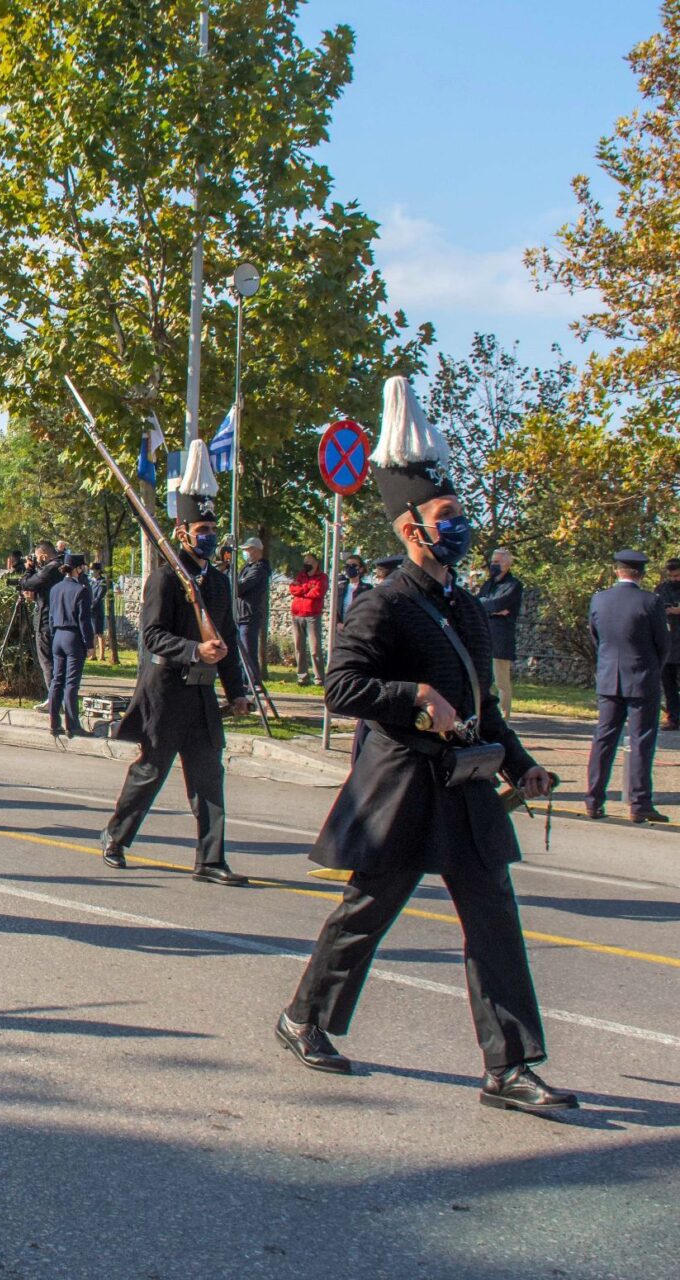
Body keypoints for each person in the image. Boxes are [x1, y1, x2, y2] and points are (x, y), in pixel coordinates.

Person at [277, 375, 572, 1115]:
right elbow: (341, 689)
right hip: (405, 788)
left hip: (468, 789)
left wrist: (524, 763)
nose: (460, 528)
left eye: (462, 515)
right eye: (449, 517)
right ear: (410, 527)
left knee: (496, 921)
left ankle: (508, 1068)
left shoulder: (464, 605)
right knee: (366, 912)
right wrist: (412, 697)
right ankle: (303, 1017)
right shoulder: (385, 605)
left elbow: (484, 704)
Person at [99, 442, 251, 884]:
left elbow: (228, 641)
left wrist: (237, 690)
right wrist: (192, 650)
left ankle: (210, 859)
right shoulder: (166, 577)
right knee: (150, 772)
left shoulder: (219, 584)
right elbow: (151, 636)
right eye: (201, 528)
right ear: (182, 532)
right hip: (166, 691)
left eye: (212, 527)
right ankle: (116, 836)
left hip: (202, 696)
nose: (208, 535)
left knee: (209, 779)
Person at [585, 549, 668, 823]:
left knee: (604, 739)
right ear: (641, 573)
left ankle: (594, 799)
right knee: (641, 741)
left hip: (610, 677)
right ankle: (639, 802)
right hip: (642, 678)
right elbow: (662, 645)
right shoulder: (651, 602)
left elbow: (596, 637)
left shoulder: (600, 599)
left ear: (616, 571)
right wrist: (653, 668)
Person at [48, 552, 95, 737]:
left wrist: (54, 636)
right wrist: (89, 644)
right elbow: (84, 620)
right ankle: (72, 725)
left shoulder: (55, 588)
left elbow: (51, 617)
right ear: (78, 568)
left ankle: (54, 723)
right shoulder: (81, 590)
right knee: (71, 683)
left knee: (56, 681)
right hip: (73, 637)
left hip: (57, 636)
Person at [477, 547, 523, 712]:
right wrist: (493, 609)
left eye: (497, 562)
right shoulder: (488, 585)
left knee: (501, 682)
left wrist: (490, 606)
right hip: (484, 637)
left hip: (501, 639)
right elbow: (477, 603)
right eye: (493, 562)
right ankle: (486, 716)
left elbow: (498, 603)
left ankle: (504, 718)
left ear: (507, 564)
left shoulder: (514, 585)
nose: (493, 565)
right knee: (484, 681)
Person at [19, 543, 63, 705]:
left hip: (45, 622)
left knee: (47, 662)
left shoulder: (51, 568)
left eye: (38, 557)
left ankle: (54, 699)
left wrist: (29, 569)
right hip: (54, 619)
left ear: (43, 555)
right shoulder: (60, 567)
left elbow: (27, 583)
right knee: (53, 662)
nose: (37, 560)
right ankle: (56, 698)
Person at [234, 538, 271, 685]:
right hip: (240, 614)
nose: (245, 553)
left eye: (247, 550)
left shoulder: (259, 569)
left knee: (248, 651)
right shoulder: (246, 568)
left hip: (250, 615)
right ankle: (244, 680)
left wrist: (234, 585)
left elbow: (240, 587)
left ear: (256, 551)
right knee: (241, 652)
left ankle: (253, 682)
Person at [288, 554, 328, 683]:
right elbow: (293, 589)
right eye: (305, 561)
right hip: (297, 614)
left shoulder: (322, 577)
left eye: (309, 561)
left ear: (316, 563)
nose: (306, 563)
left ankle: (319, 677)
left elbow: (318, 592)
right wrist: (306, 587)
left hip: (312, 615)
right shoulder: (301, 575)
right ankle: (302, 676)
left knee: (315, 648)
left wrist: (302, 590)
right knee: (299, 647)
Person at [658, 558, 680, 730]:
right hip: (669, 644)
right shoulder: (662, 589)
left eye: (678, 575)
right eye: (672, 575)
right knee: (669, 684)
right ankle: (673, 718)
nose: (675, 579)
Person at [332, 553, 371, 631]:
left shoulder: (367, 589)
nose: (349, 568)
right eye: (347, 566)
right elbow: (334, 608)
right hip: (341, 629)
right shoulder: (340, 587)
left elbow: (368, 611)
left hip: (358, 629)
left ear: (361, 569)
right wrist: (338, 623)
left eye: (353, 566)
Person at [88, 560, 113, 663]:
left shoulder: (102, 581)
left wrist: (92, 605)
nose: (92, 572)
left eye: (93, 570)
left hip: (97, 609)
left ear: (98, 571)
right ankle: (92, 654)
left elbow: (99, 596)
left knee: (99, 632)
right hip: (90, 608)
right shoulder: (90, 581)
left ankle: (101, 655)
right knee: (92, 632)